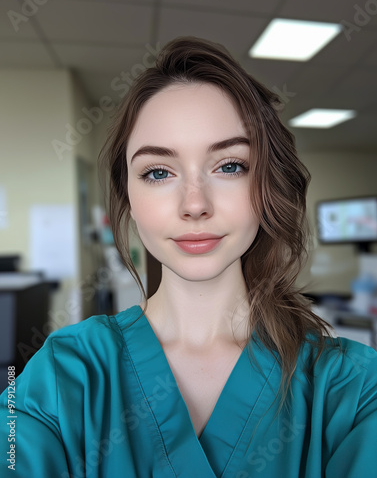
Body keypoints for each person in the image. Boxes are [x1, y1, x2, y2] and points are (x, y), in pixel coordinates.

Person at [1, 36, 376, 478]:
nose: (194, 204)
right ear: (129, 198)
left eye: (229, 165)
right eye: (158, 172)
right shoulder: (60, 379)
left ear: (267, 187)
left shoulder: (352, 390)